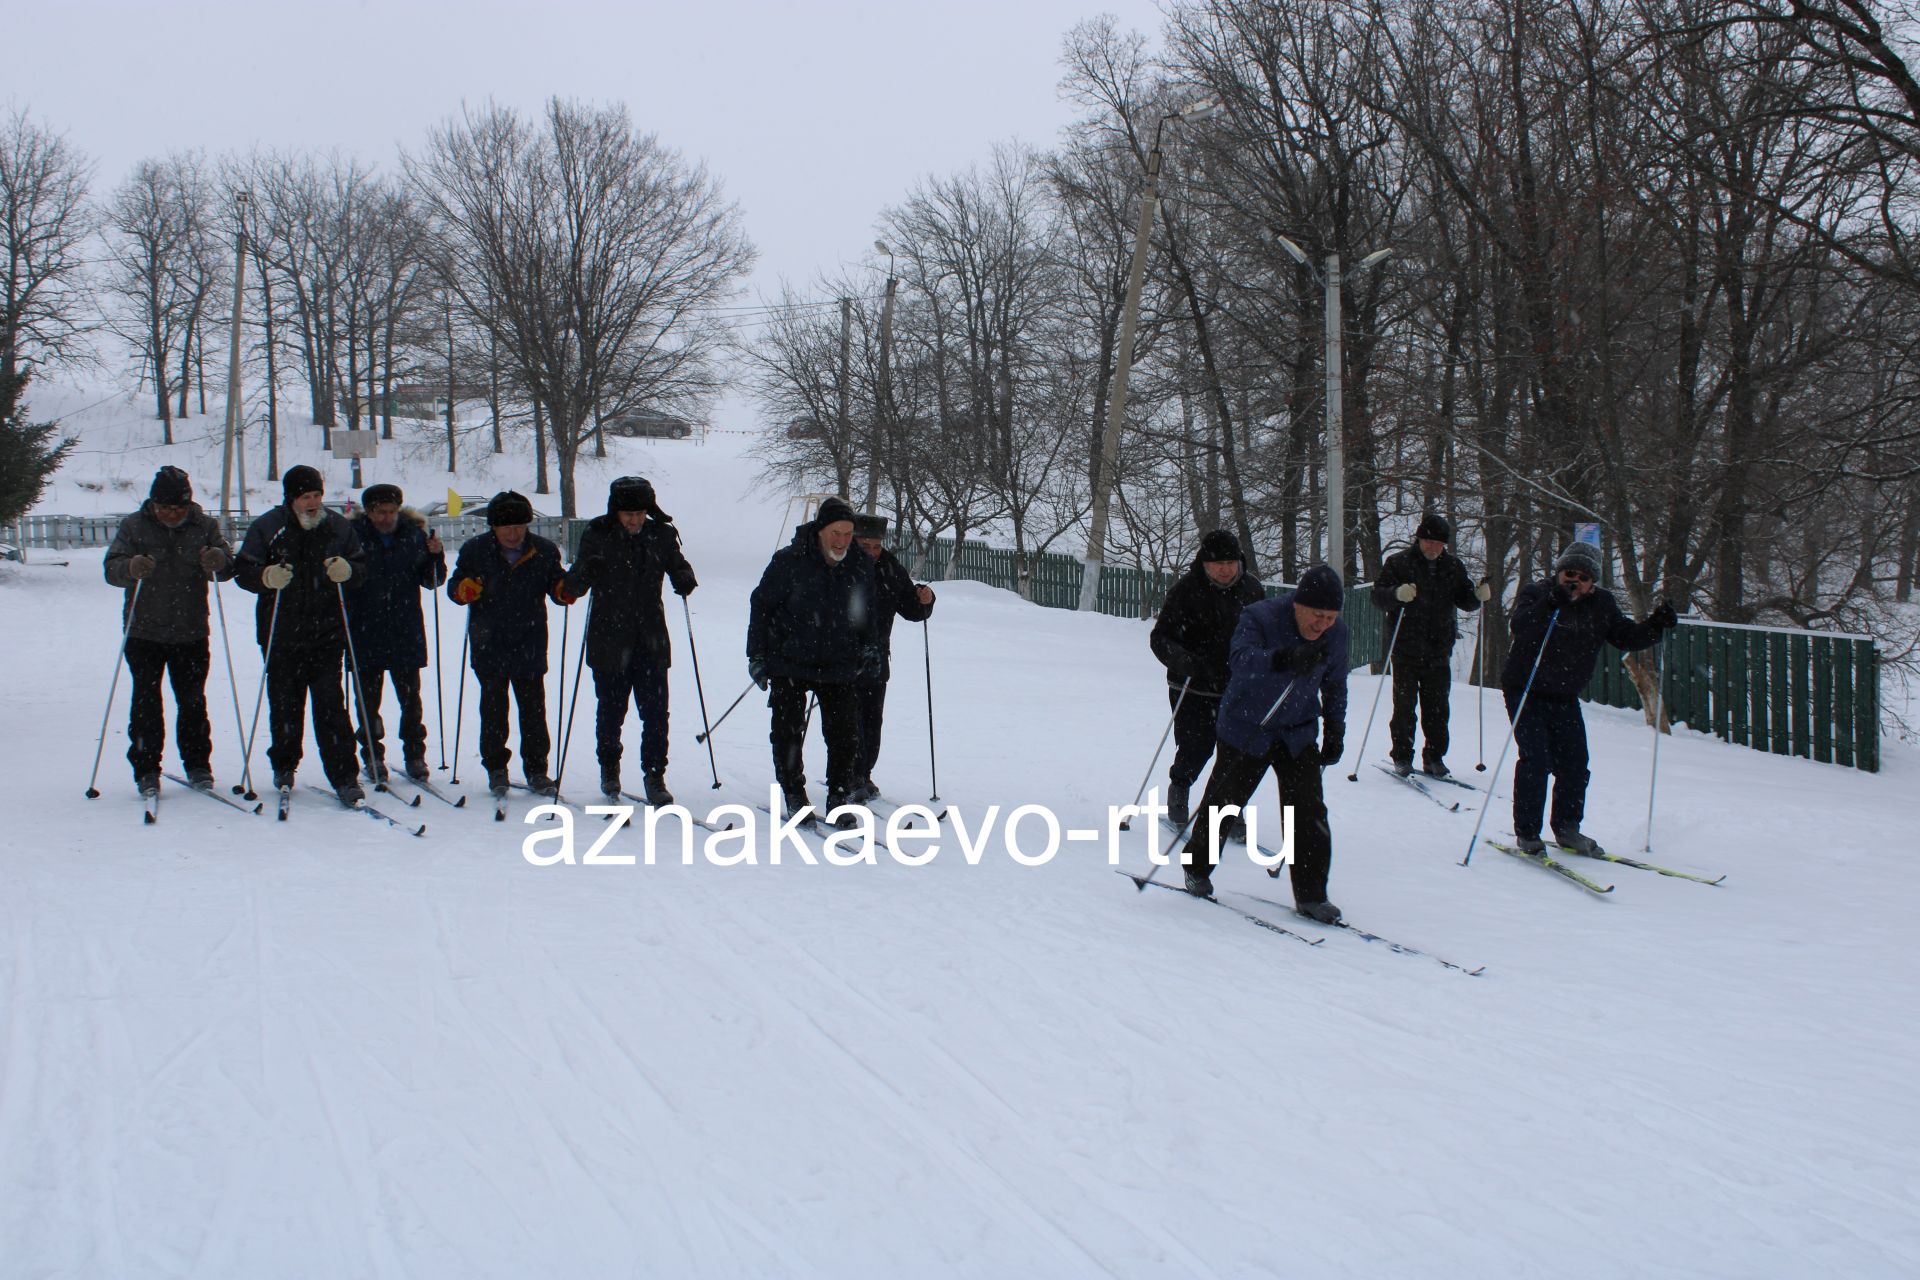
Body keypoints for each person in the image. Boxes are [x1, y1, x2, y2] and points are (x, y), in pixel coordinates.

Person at [1183, 564, 1350, 923]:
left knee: (1308, 812)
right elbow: (1241, 661)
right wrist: (1284, 658)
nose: (1323, 625)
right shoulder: (1260, 617)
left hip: (1297, 731)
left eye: (1331, 617)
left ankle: (1312, 894)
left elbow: (1335, 682)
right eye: (1317, 615)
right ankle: (1196, 866)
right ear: (1298, 605)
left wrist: (1335, 727)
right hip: (1248, 726)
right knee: (1225, 803)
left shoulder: (1335, 635)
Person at [1502, 542, 1677, 855]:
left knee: (1575, 764)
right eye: (1569, 573)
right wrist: (1550, 604)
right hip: (1525, 689)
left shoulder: (1603, 604)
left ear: (1593, 581)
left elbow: (1626, 637)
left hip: (1565, 695)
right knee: (1536, 759)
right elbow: (1520, 625)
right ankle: (1528, 832)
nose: (1575, 582)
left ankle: (1567, 828)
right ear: (1559, 572)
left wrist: (1655, 627)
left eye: (1583, 577)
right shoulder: (1538, 592)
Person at [233, 464, 368, 802]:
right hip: (281, 632)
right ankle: (284, 764)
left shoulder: (337, 526)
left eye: (317, 495)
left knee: (330, 705)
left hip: (326, 632)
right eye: (305, 496)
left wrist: (349, 571)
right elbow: (243, 570)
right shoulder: (269, 527)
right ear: (291, 498)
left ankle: (344, 775)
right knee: (284, 704)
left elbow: (362, 567)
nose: (312, 502)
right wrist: (265, 577)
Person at [561, 476, 697, 804]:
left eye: (639, 513)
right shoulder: (597, 534)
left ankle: (655, 775)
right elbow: (573, 586)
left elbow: (680, 567)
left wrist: (684, 578)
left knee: (655, 713)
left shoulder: (661, 535)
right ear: (616, 511)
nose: (634, 520)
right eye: (628, 514)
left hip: (650, 640)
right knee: (611, 711)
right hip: (608, 640)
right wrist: (585, 573)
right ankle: (610, 769)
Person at [101, 466, 236, 796]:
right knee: (146, 702)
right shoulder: (133, 526)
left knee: (192, 702)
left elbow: (228, 566)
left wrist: (218, 559)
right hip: (143, 631)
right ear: (153, 503)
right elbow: (111, 568)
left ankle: (198, 765)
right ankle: (146, 768)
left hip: (190, 631)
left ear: (188, 504)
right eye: (164, 508)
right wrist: (130, 568)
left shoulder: (204, 526)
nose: (171, 514)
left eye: (177, 508)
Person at [746, 496, 876, 824]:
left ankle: (839, 794)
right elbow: (761, 605)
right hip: (790, 659)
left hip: (839, 662)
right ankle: (793, 792)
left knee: (844, 733)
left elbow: (865, 612)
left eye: (848, 534)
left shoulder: (858, 563)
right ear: (821, 530)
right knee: (788, 728)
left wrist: (869, 647)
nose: (842, 540)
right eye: (836, 532)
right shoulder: (790, 561)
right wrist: (757, 655)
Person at [447, 491, 570, 797]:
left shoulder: (543, 550)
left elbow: (556, 584)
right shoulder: (476, 550)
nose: (514, 534)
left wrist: (564, 590)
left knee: (533, 711)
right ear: (493, 528)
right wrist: (464, 589)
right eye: (506, 528)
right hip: (489, 643)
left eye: (520, 526)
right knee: (493, 711)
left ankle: (537, 770)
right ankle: (496, 769)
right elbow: (454, 586)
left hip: (529, 641)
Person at [1149, 528, 1266, 825]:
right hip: (1193, 685)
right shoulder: (1186, 591)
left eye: (1231, 563)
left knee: (1235, 752)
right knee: (1196, 747)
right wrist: (1184, 660)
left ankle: (1227, 808)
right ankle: (1180, 788)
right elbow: (1161, 637)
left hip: (1237, 685)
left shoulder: (1252, 590)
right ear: (1205, 563)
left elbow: (1266, 633)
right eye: (1218, 564)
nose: (1225, 569)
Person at [1369, 513, 1491, 779]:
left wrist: (1477, 596)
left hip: (1438, 649)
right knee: (1404, 706)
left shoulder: (1453, 567)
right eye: (1429, 541)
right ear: (1420, 539)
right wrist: (1396, 594)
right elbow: (1378, 597)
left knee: (1437, 708)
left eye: (1439, 543)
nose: (1434, 548)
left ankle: (1434, 757)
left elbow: (1464, 599)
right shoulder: (1399, 563)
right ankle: (1402, 756)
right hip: (1405, 647)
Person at [346, 483, 447, 782]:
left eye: (390, 512)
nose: (385, 518)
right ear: (369, 511)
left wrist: (435, 557)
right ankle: (372, 755)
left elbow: (432, 581)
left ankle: (415, 754)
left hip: (405, 627)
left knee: (410, 700)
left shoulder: (413, 535)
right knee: (367, 700)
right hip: (364, 629)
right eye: (379, 512)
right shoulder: (352, 537)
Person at [849, 512, 935, 802]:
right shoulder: (839, 568)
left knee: (872, 719)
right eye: (864, 546)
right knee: (848, 719)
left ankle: (864, 773)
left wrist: (925, 600)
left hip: (877, 657)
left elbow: (910, 607)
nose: (872, 552)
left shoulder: (888, 567)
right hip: (841, 657)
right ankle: (849, 774)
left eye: (875, 546)